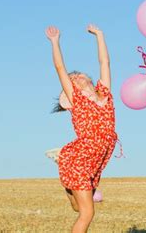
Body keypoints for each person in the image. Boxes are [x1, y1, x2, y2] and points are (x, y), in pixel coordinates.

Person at [45, 24, 118, 233]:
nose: (75, 76)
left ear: (89, 80)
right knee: (88, 213)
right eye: (72, 77)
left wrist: (100, 35)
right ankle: (67, 175)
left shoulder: (105, 93)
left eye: (78, 74)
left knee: (78, 207)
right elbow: (60, 68)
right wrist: (55, 42)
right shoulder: (76, 99)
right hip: (80, 158)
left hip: (97, 159)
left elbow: (105, 62)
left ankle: (68, 187)